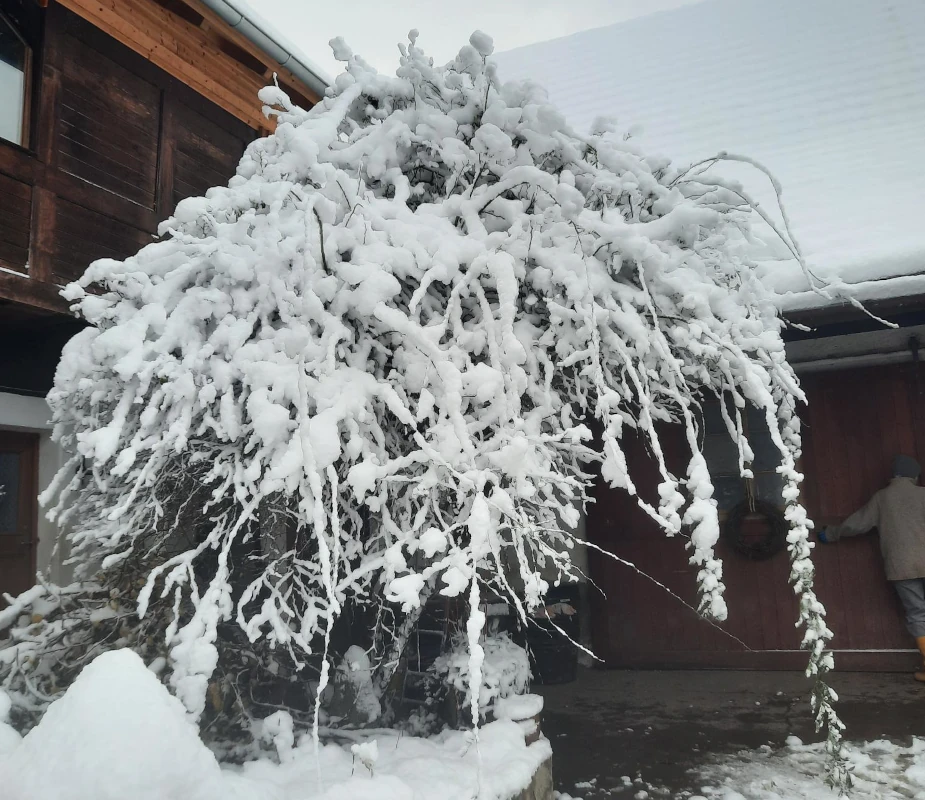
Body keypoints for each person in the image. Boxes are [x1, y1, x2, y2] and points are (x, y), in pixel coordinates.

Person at [819, 454, 925, 681]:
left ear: (893, 476)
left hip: (902, 566)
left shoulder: (882, 498)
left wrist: (831, 533)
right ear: (915, 475)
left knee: (918, 613)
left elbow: (856, 525)